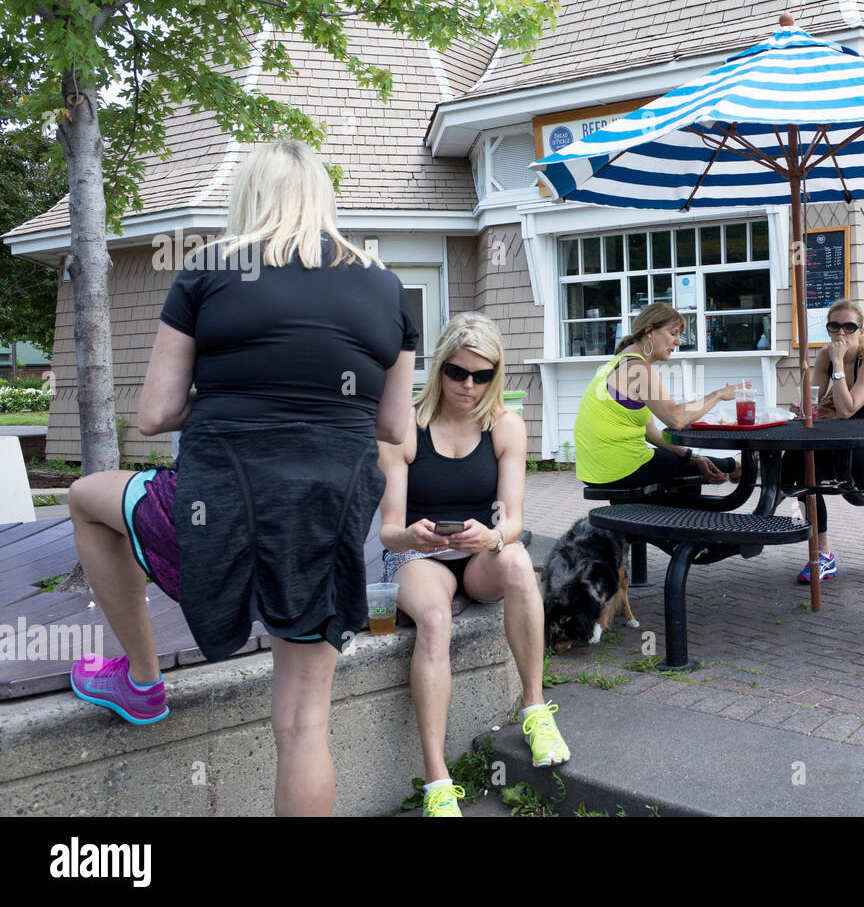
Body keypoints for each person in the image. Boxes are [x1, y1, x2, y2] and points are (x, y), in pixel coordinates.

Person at [66, 140, 416, 816]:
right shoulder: (387, 287)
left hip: (213, 512)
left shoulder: (208, 271)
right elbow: (396, 427)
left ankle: (141, 679)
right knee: (304, 723)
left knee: (85, 499)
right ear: (322, 199)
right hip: (322, 524)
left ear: (248, 198)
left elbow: (154, 413)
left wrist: (236, 389)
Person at [378, 312, 563, 818]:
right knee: (434, 621)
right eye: (458, 372)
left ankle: (533, 709)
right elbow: (388, 529)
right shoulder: (406, 428)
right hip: (420, 554)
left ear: (496, 374)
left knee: (521, 562)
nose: (469, 385)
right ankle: (438, 781)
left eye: (482, 375)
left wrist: (493, 535)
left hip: (479, 551)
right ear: (439, 368)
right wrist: (410, 534)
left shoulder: (505, 425)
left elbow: (514, 518)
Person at [781, 298, 864, 583]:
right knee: (797, 462)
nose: (841, 333)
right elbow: (811, 402)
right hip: (840, 441)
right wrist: (804, 407)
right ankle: (822, 553)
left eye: (849, 326)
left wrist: (837, 364)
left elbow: (847, 409)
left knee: (821, 460)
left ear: (862, 330)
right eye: (834, 326)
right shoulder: (823, 356)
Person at [574, 302, 745, 490]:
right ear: (649, 331)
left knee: (687, 466)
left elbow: (652, 433)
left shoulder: (618, 362)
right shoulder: (638, 369)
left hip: (594, 470)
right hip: (618, 466)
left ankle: (734, 464)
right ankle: (736, 464)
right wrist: (718, 394)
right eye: (673, 334)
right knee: (687, 480)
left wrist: (693, 456)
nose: (678, 342)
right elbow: (676, 419)